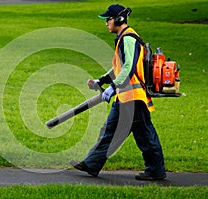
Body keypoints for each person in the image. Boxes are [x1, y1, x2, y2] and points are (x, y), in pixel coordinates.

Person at [70, 4, 166, 181]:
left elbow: (129, 67)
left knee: (144, 134)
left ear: (119, 19)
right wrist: (102, 80)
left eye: (109, 19)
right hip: (125, 97)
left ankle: (156, 170)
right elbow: (119, 67)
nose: (106, 23)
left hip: (133, 98)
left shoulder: (129, 38)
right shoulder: (123, 39)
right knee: (109, 130)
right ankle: (91, 164)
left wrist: (113, 87)